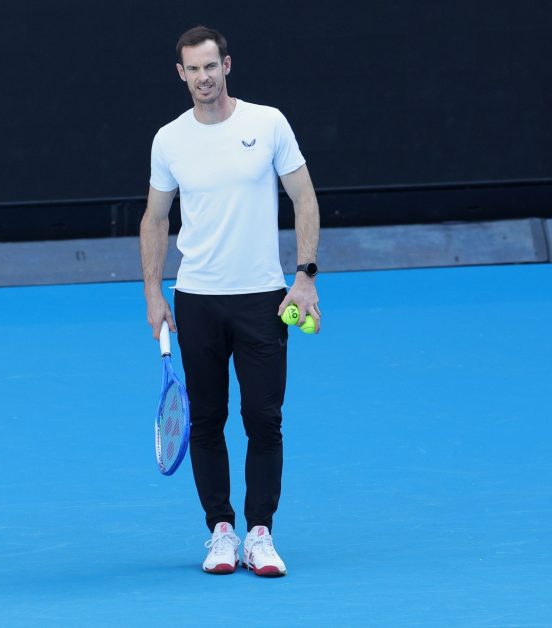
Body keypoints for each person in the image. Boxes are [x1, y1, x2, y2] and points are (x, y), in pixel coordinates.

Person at [140, 26, 321, 577]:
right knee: (208, 422)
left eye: (210, 66)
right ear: (180, 74)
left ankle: (259, 533)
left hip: (263, 298)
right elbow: (155, 218)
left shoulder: (268, 124)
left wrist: (306, 276)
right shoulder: (169, 140)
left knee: (264, 419)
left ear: (227, 66)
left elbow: (304, 197)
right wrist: (153, 291)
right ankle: (220, 531)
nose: (202, 77)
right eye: (192, 69)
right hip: (197, 300)